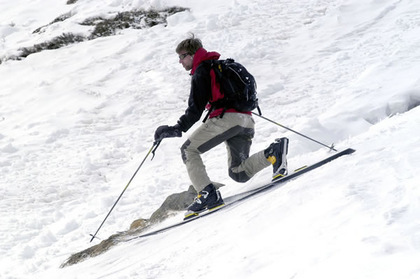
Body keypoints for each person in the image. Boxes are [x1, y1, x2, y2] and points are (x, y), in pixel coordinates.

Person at [154, 35, 289, 219]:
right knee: (238, 172)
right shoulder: (217, 66)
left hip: (227, 120)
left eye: (182, 56)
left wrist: (177, 128)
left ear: (193, 54)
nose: (180, 61)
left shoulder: (202, 69)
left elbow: (195, 108)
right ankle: (273, 153)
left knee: (188, 150)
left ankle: (207, 193)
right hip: (245, 121)